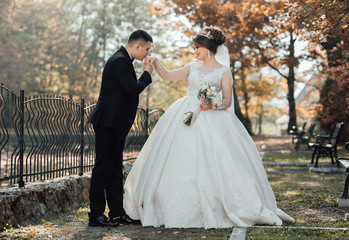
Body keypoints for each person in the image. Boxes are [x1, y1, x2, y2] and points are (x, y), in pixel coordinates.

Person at [123, 26, 293, 229]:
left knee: (218, 161)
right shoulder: (192, 67)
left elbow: (228, 101)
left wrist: (212, 104)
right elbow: (168, 76)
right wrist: (156, 63)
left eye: (197, 47)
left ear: (208, 48)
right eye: (194, 48)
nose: (194, 51)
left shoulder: (223, 71)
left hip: (213, 118)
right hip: (185, 114)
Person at [88, 29, 154, 227]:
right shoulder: (119, 61)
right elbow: (132, 89)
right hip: (108, 123)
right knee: (103, 168)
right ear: (137, 46)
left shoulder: (124, 60)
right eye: (147, 49)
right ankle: (96, 215)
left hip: (115, 124)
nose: (147, 54)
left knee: (115, 168)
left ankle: (117, 212)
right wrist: (147, 74)